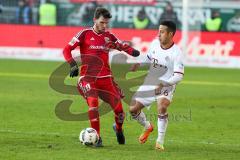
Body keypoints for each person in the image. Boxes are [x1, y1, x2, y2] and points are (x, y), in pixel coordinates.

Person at [63, 7, 140, 147]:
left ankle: (118, 129)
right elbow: (67, 49)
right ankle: (97, 138)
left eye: (107, 23)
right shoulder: (84, 34)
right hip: (87, 78)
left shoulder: (109, 36)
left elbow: (121, 45)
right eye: (102, 22)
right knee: (93, 103)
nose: (105, 26)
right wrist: (72, 64)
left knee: (119, 111)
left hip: (106, 79)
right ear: (95, 20)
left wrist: (132, 51)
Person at [129, 21, 184, 151]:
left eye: (162, 32)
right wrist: (139, 65)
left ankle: (159, 141)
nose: (158, 34)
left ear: (170, 34)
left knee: (162, 107)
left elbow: (179, 76)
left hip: (167, 83)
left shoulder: (177, 53)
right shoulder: (154, 43)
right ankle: (148, 127)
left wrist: (164, 84)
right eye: (158, 31)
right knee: (133, 110)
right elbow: (149, 58)